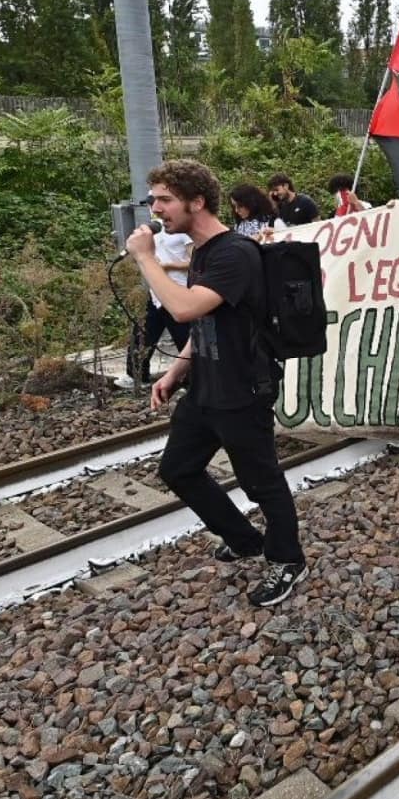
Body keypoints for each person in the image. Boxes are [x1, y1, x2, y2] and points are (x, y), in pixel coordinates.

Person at [129, 160, 307, 608]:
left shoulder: (234, 254)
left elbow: (185, 309)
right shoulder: (202, 252)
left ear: (197, 201)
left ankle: (287, 559)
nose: (157, 209)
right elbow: (205, 322)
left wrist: (146, 258)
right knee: (178, 469)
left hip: (243, 386)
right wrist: (176, 370)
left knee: (260, 482)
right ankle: (244, 540)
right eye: (154, 200)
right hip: (206, 383)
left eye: (165, 199)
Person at [136, 208, 193, 385]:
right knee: (144, 334)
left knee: (184, 338)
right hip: (156, 291)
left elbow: (194, 261)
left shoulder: (183, 231)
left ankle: (192, 379)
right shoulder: (154, 230)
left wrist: (169, 266)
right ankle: (137, 374)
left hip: (178, 289)